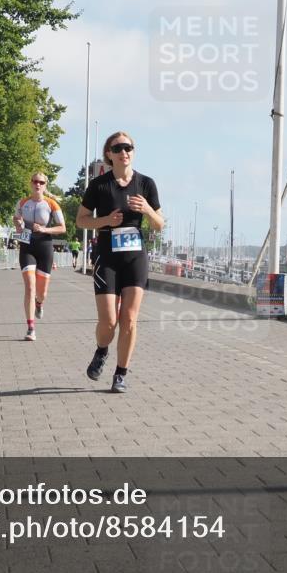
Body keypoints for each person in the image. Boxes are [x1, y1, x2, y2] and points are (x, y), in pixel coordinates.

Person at [76, 132, 163, 393]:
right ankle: (102, 350)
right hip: (107, 256)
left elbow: (159, 225)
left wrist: (147, 209)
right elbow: (81, 220)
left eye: (129, 147)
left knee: (130, 319)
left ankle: (121, 374)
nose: (124, 151)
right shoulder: (99, 185)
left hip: (135, 256)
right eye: (118, 148)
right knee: (109, 322)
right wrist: (104, 221)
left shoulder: (146, 183)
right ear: (109, 154)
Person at [13, 172, 65, 340]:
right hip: (27, 245)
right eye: (35, 181)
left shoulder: (51, 204)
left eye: (41, 182)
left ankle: (39, 303)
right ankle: (30, 328)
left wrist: (44, 229)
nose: (38, 184)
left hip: (44, 246)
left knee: (41, 292)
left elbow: (62, 228)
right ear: (31, 183)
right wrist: (18, 225)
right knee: (30, 286)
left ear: (45, 185)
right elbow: (16, 218)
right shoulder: (22, 202)